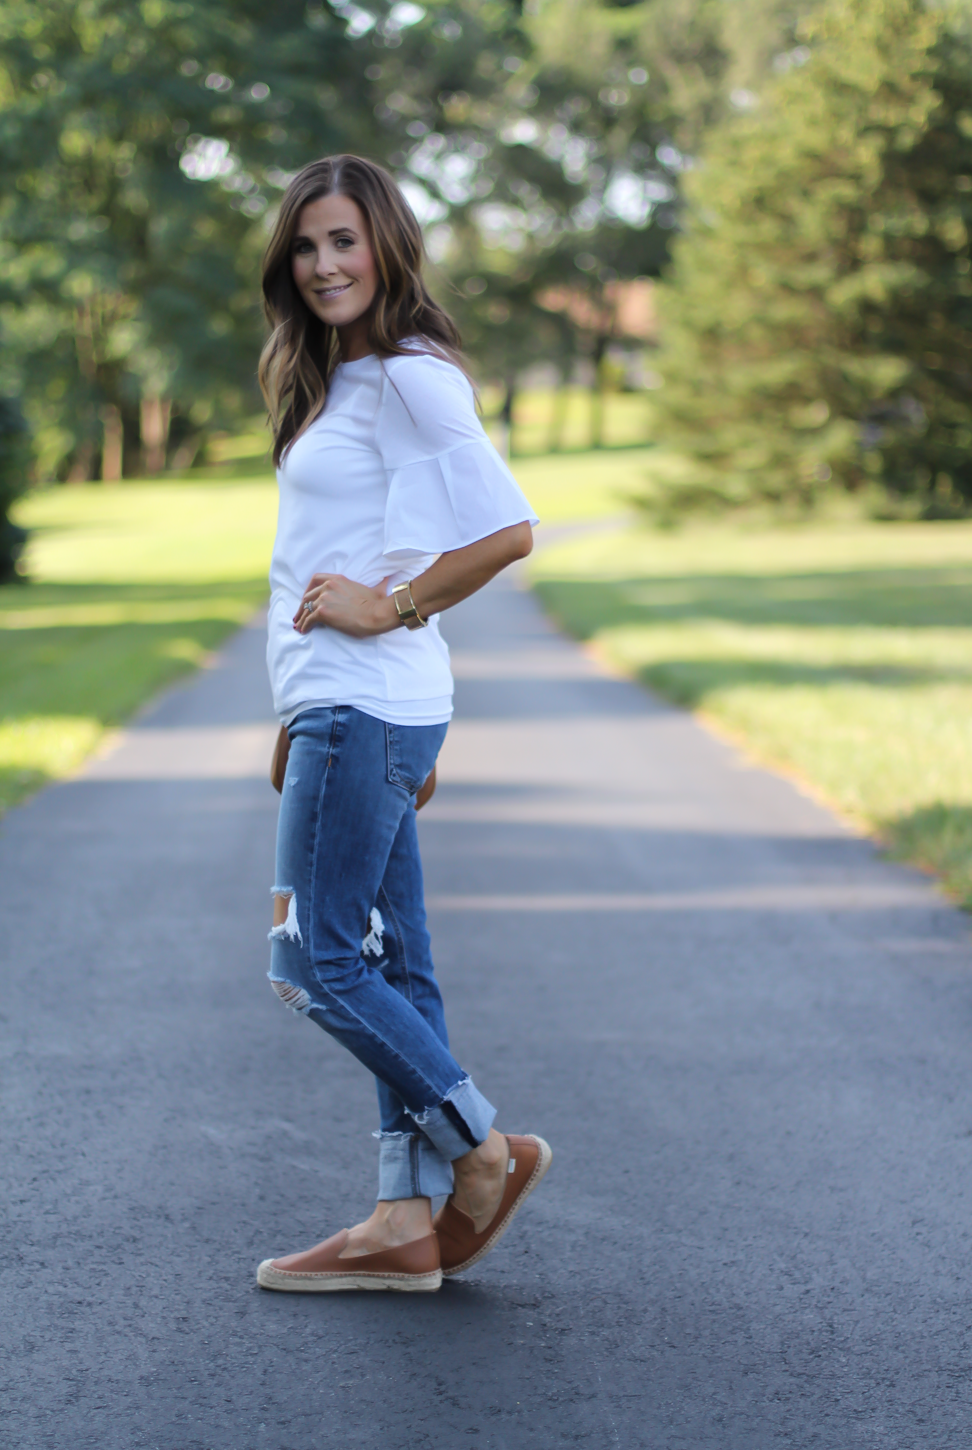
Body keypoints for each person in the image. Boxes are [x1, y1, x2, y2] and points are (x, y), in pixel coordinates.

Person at [254, 155, 551, 1293]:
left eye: (343, 240)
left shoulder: (414, 377)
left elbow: (509, 530)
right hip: (348, 710)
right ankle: (398, 1218)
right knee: (395, 966)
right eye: (305, 244)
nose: (324, 263)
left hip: (367, 703)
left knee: (314, 962)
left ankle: (480, 1147)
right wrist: (301, 711)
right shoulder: (349, 376)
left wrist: (392, 607)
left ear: (385, 244)